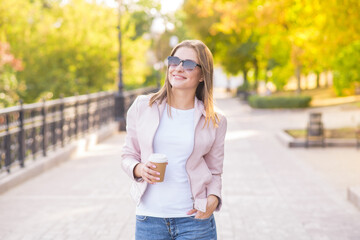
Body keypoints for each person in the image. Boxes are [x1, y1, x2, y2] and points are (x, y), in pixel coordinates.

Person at [121, 39, 227, 240]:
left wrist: (213, 199)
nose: (178, 68)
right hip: (149, 219)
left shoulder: (215, 120)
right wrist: (139, 169)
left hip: (195, 221)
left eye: (188, 64)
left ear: (203, 75)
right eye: (174, 61)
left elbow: (215, 170)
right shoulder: (142, 107)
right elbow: (128, 155)